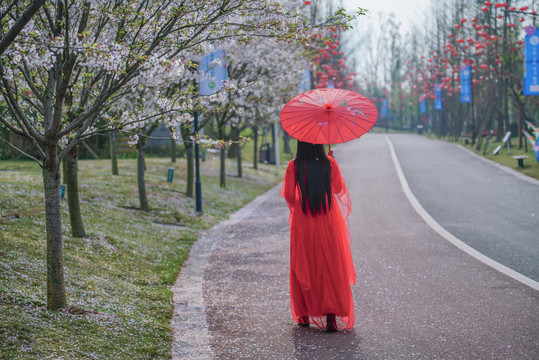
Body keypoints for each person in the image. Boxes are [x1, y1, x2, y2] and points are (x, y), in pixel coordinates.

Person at [281, 141, 356, 332]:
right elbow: (338, 189)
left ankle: (304, 314)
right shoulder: (329, 163)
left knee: (304, 262)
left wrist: (301, 204)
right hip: (328, 218)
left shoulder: (294, 165)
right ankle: (331, 316)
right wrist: (332, 162)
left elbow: (289, 195)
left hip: (303, 220)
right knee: (330, 263)